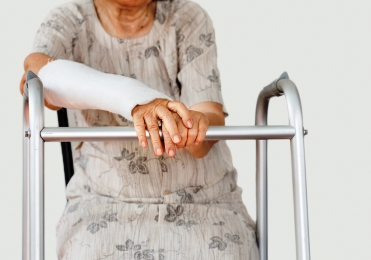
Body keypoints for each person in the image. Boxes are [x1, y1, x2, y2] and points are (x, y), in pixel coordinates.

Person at [20, 0, 259, 259]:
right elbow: (38, 72)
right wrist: (137, 99)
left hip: (203, 202)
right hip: (104, 202)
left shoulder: (187, 16)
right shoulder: (70, 20)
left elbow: (209, 114)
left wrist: (193, 127)